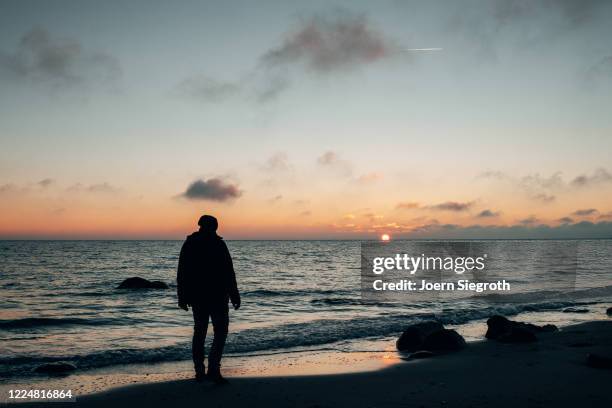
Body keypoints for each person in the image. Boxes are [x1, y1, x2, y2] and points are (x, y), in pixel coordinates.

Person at [177, 215, 241, 384]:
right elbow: (229, 272)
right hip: (216, 296)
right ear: (213, 227)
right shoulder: (218, 244)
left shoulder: (190, 244)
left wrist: (182, 297)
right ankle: (212, 368)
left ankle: (201, 370)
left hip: (200, 297)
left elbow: (181, 273)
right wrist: (234, 295)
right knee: (219, 331)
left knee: (200, 332)